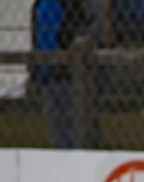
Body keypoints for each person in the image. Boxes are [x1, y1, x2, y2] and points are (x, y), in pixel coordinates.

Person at [30, 0, 102, 148]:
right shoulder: (44, 5)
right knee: (61, 128)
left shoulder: (73, 5)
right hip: (55, 75)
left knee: (72, 126)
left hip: (67, 74)